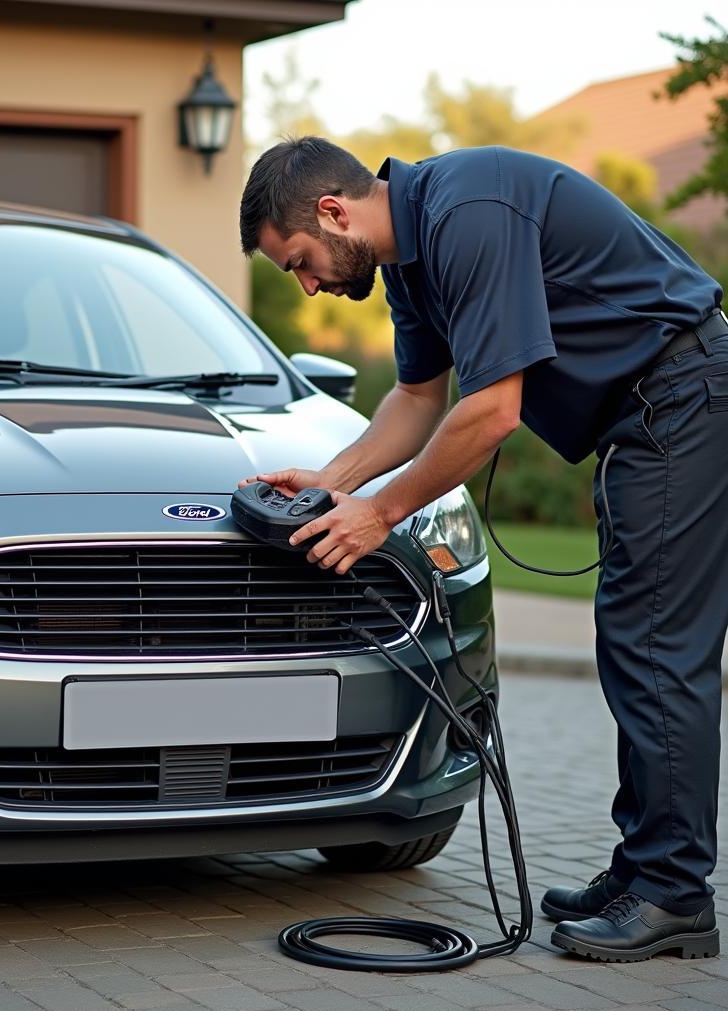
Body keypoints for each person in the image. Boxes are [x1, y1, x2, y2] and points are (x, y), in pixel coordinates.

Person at [238, 136, 727, 963]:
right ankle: (645, 867)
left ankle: (675, 893)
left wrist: (380, 512)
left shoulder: (468, 211)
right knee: (632, 646)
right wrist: (331, 483)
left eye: (300, 263)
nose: (311, 282)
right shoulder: (409, 262)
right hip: (646, 417)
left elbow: (493, 411)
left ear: (333, 212)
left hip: (684, 395)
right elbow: (418, 398)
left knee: (655, 649)